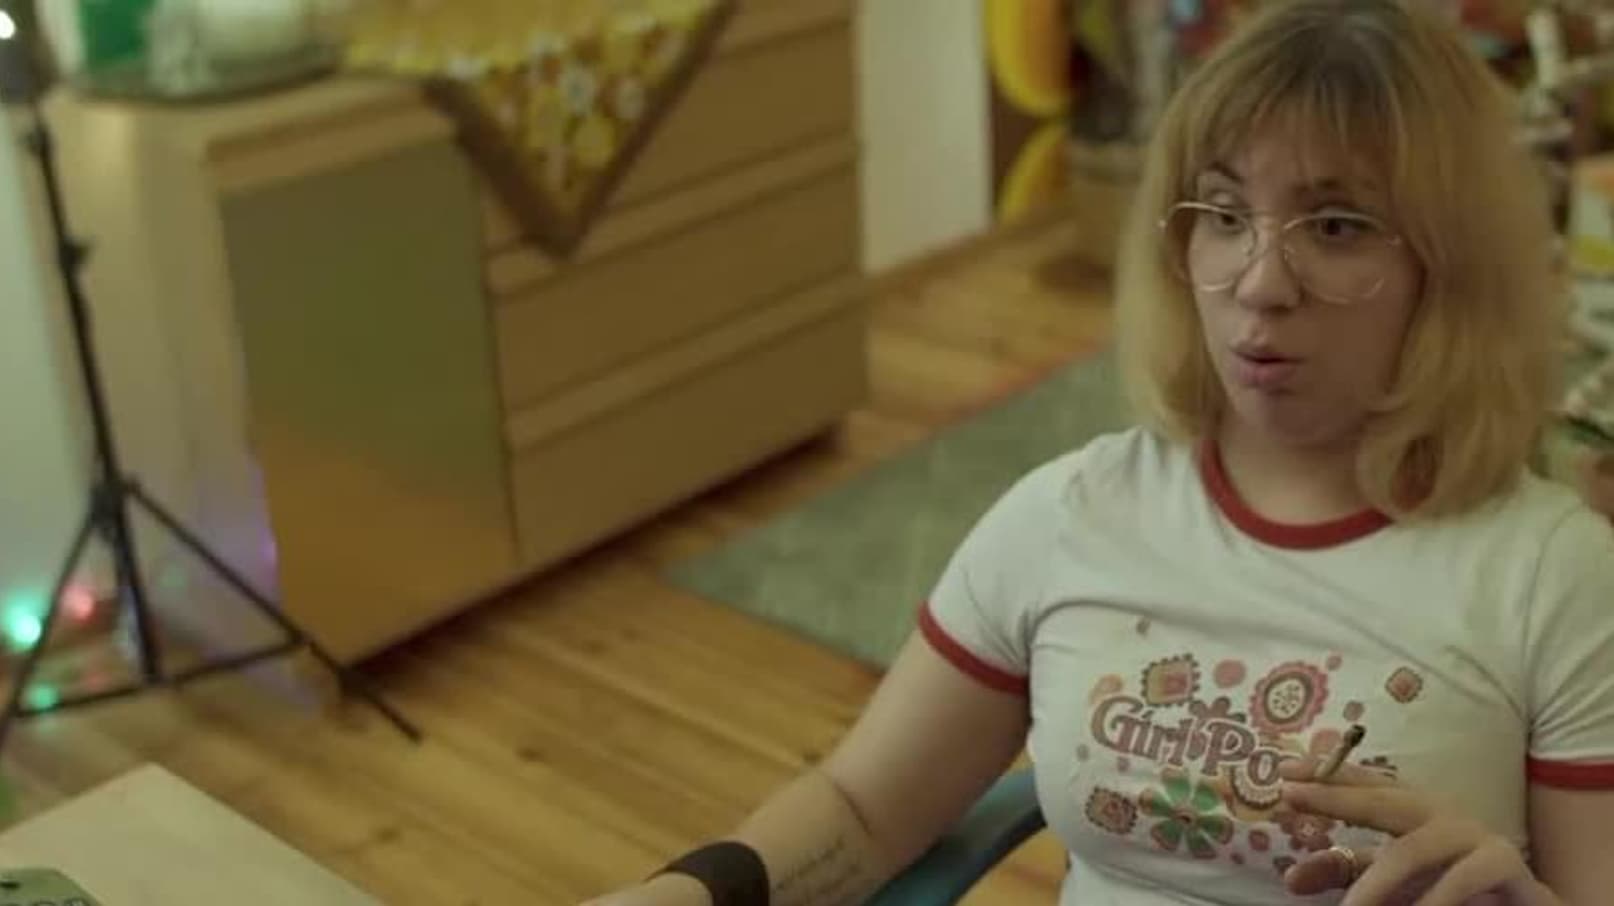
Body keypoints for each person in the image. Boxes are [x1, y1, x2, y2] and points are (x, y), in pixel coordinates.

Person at [589, 1, 1614, 903]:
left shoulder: (1553, 578)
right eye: (1223, 214)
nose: (1261, 282)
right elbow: (864, 807)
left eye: (1338, 226)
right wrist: (688, 893)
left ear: (1450, 272)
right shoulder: (1068, 513)